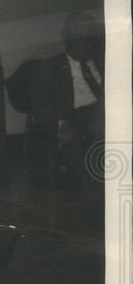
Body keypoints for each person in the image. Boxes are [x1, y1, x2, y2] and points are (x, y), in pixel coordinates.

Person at [30, 11, 103, 184]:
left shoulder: (108, 63)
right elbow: (39, 107)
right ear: (66, 37)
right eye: (78, 36)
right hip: (72, 121)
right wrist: (62, 123)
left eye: (89, 37)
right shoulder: (48, 67)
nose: (84, 43)